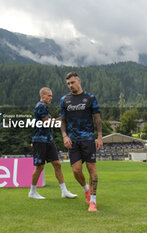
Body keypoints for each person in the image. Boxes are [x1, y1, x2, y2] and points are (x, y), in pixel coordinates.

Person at [59, 72, 103, 212]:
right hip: (73, 140)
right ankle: (86, 190)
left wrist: (100, 137)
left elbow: (97, 118)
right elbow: (62, 121)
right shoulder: (64, 100)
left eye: (72, 82)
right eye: (68, 84)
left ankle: (93, 201)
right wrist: (65, 136)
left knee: (92, 169)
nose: (70, 85)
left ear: (79, 81)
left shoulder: (90, 98)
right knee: (76, 170)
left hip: (88, 139)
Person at [29, 87, 77, 200]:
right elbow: (47, 123)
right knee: (39, 167)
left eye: (51, 96)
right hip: (40, 141)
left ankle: (64, 191)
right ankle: (32, 192)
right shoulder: (40, 106)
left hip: (48, 140)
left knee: (57, 164)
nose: (51, 98)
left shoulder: (45, 107)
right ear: (43, 96)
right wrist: (62, 118)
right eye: (49, 96)